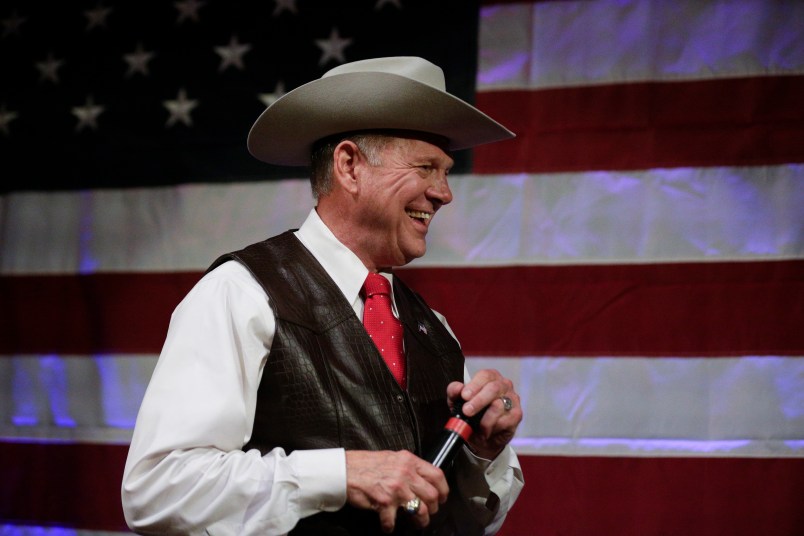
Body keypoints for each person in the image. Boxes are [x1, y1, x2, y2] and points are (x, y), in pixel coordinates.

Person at [121, 56, 524, 535]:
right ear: (350, 166)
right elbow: (156, 489)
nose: (443, 193)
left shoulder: (432, 329)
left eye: (446, 172)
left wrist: (481, 451)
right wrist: (339, 474)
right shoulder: (241, 293)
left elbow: (455, 520)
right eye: (425, 168)